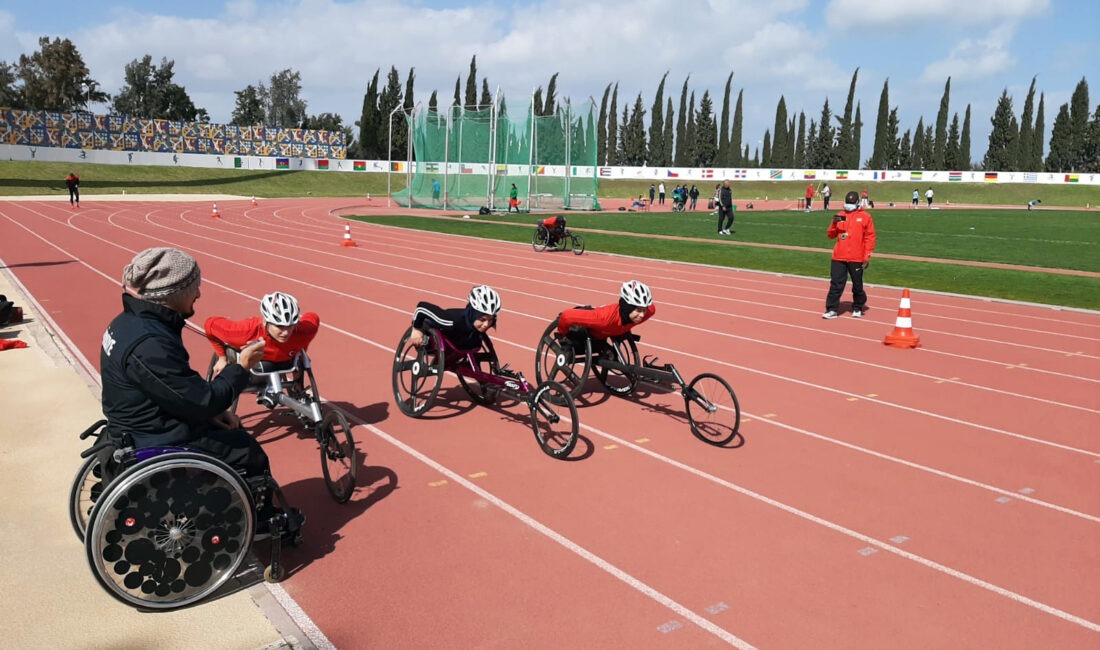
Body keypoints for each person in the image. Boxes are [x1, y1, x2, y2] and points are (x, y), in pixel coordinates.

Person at [101, 248, 274, 479]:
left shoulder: (128, 323)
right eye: (194, 287)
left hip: (142, 423)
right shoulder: (150, 344)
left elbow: (174, 390)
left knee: (226, 431)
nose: (199, 294)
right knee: (246, 451)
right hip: (151, 436)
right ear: (174, 293)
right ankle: (260, 514)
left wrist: (210, 415)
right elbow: (203, 401)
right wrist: (241, 367)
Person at [204, 291, 321, 378]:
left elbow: (313, 317)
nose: (285, 332)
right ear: (265, 322)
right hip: (256, 364)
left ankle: (298, 387)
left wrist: (302, 348)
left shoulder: (305, 331)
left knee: (301, 357)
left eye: (290, 326)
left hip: (286, 361)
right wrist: (222, 357)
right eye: (279, 326)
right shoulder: (244, 332)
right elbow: (209, 325)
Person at [554, 280, 656, 356]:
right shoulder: (604, 318)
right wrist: (562, 336)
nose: (642, 315)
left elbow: (650, 308)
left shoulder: (649, 312)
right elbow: (566, 316)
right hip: (590, 332)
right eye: (638, 310)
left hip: (609, 333)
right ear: (627, 308)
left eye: (644, 310)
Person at [822, 191, 876, 319]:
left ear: (857, 203)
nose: (848, 205)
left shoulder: (865, 217)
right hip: (839, 256)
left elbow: (870, 237)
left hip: (857, 257)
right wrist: (834, 224)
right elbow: (830, 235)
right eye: (847, 202)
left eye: (851, 203)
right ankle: (832, 309)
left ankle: (857, 306)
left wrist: (867, 256)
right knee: (836, 283)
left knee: (857, 284)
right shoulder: (840, 216)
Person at [407, 285, 501, 351]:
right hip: (435, 331)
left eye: (490, 320)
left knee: (474, 342)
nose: (486, 324)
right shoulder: (450, 320)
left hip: (460, 341)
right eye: (482, 319)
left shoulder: (480, 327)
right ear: (473, 315)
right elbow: (421, 307)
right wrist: (417, 329)